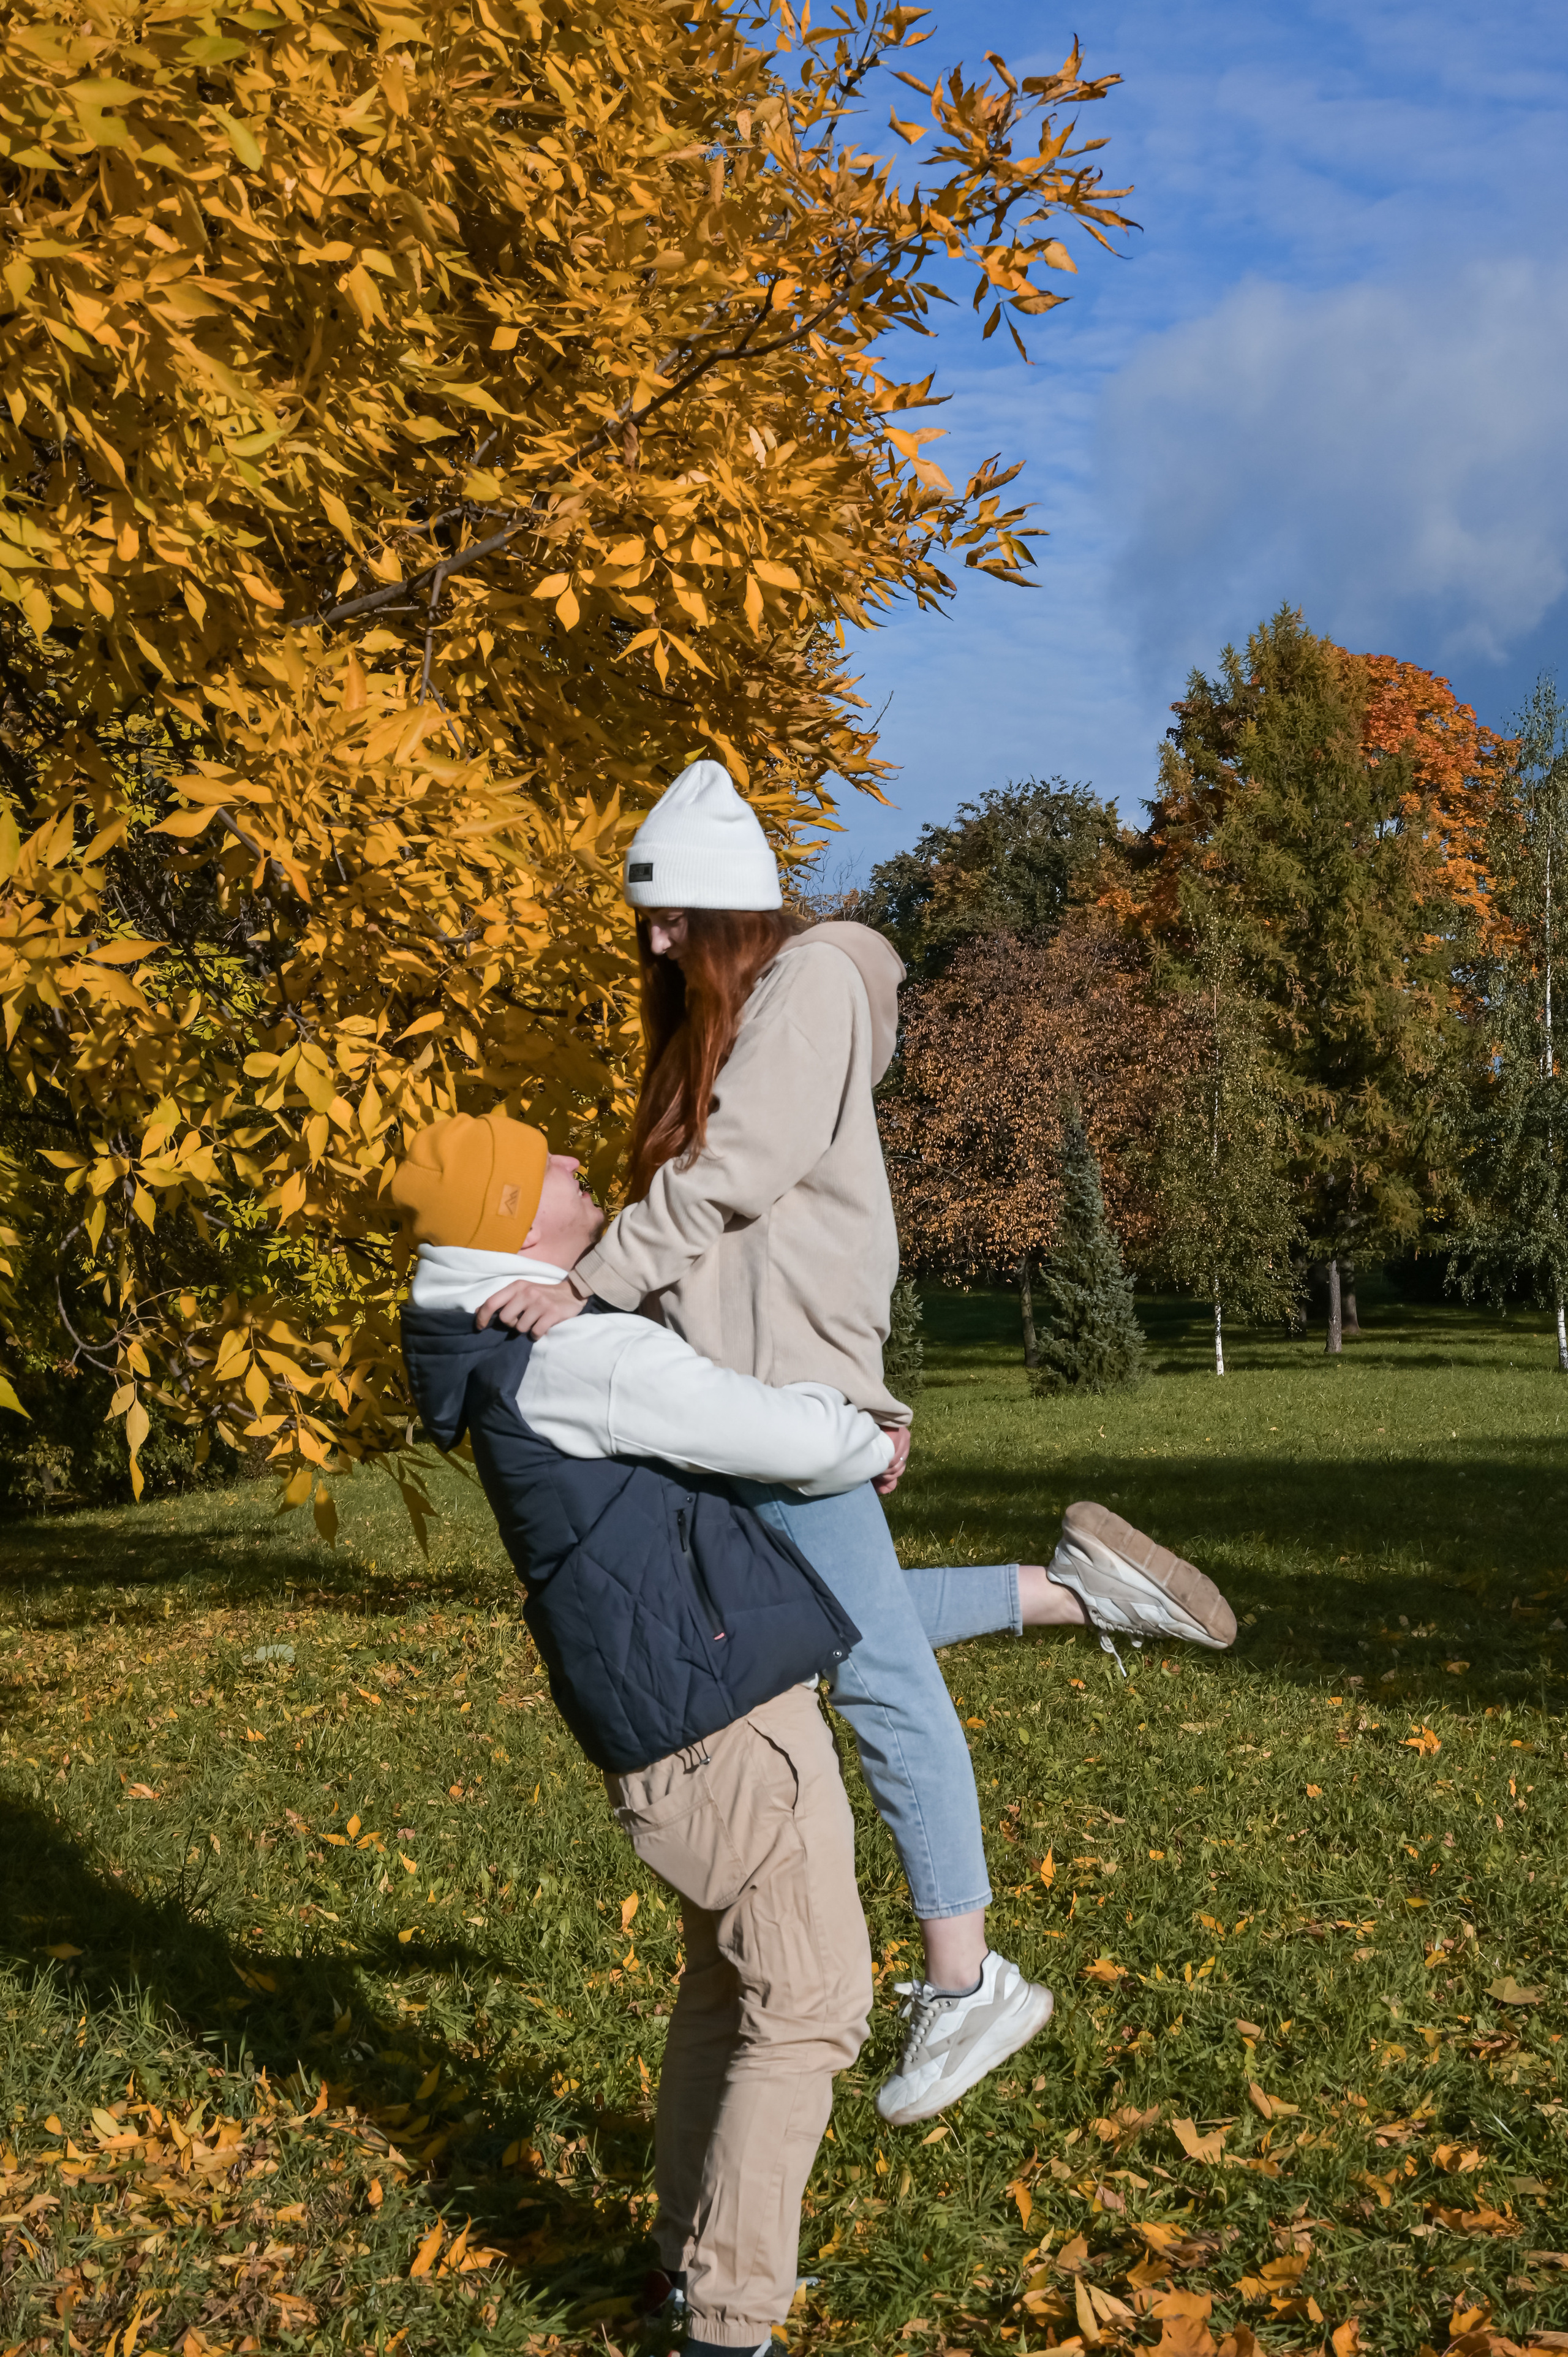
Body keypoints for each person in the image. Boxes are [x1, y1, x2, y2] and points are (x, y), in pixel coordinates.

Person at [473, 760, 1237, 2128]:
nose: (652, 942)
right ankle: (1072, 1591)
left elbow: (736, 1180)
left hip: (781, 1397)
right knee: (831, 1628)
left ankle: (966, 1978)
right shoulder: (750, 1009)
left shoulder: (815, 981)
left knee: (874, 1674)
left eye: (669, 917)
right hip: (747, 1392)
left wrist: (583, 1289)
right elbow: (732, 1219)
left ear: (731, 907)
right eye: (642, 919)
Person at [394, 1114, 883, 2357]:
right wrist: (865, 1435)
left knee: (726, 1989)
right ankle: (727, 2324)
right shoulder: (577, 1355)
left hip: (669, 1729)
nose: (580, 1170)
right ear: (515, 1219)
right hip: (727, 1727)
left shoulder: (509, 1347)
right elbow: (775, 1434)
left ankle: (683, 2259)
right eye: (552, 1167)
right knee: (811, 2007)